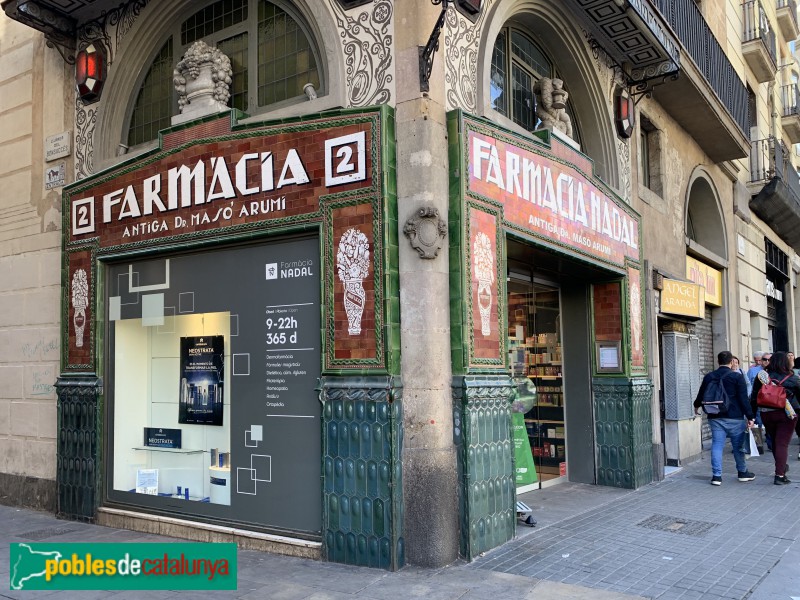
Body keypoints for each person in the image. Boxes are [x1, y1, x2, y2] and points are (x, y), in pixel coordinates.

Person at [694, 350, 756, 486]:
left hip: (715, 416)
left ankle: (716, 476)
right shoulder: (736, 377)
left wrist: (696, 406)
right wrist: (750, 416)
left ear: (718, 361)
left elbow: (701, 394)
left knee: (717, 445)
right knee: (738, 446)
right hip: (735, 417)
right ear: (731, 362)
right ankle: (742, 472)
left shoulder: (709, 376)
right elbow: (744, 399)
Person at [750, 350, 800, 484]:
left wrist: (751, 416)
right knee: (782, 443)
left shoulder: (762, 376)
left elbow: (754, 396)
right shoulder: (793, 377)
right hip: (787, 415)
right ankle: (779, 475)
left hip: (767, 413)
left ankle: (782, 467)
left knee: (776, 442)